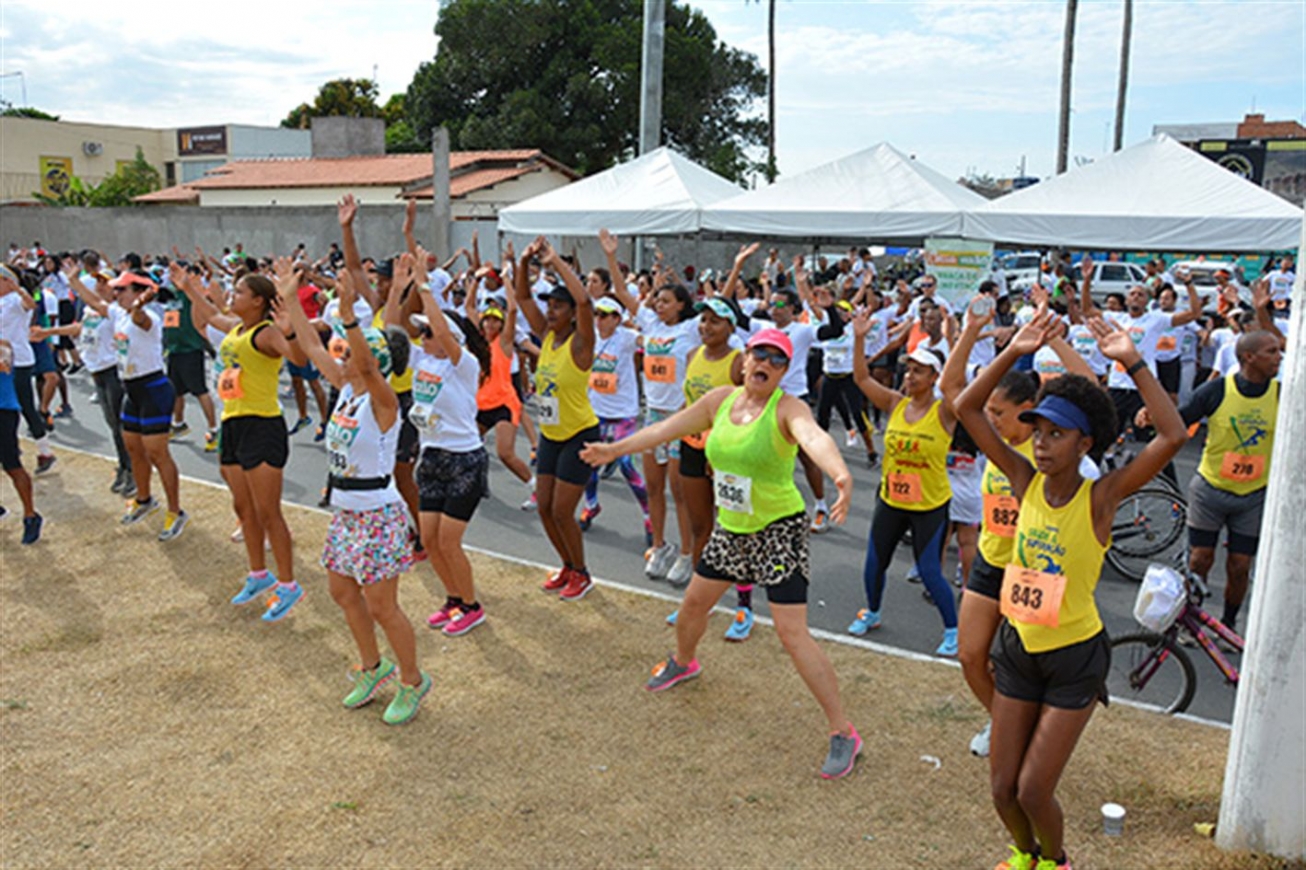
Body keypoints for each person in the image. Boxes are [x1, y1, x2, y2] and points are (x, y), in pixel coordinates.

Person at [954, 305, 1187, 870]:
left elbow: (1174, 434)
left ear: (1084, 444)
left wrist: (1134, 365)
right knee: (1002, 789)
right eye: (1037, 431)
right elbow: (965, 407)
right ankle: (1023, 854)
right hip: (1018, 649)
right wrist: (1014, 349)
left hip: (1073, 656)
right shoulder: (1022, 480)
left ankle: (1056, 860)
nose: (1040, 443)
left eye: (1056, 435)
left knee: (1035, 790)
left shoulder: (1100, 498)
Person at [579, 328, 861, 779]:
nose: (765, 363)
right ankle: (684, 662)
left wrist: (840, 474)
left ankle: (843, 731)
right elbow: (664, 428)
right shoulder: (721, 401)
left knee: (792, 634)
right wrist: (614, 448)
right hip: (732, 529)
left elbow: (813, 438)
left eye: (776, 359)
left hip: (777, 531)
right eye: (759, 355)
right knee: (693, 604)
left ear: (785, 370)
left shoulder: (788, 408)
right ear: (745, 359)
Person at [278, 257, 431, 725]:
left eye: (353, 351)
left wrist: (349, 312)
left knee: (384, 606)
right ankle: (373, 666)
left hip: (379, 512)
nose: (342, 354)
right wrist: (289, 299)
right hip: (346, 511)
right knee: (342, 592)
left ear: (377, 362)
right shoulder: (345, 387)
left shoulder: (385, 401)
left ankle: (412, 679)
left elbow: (363, 357)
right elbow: (308, 343)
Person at [170, 263, 304, 620]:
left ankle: (289, 585)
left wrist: (290, 331)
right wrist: (187, 289)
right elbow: (212, 315)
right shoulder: (237, 327)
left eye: (241, 292)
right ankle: (259, 575)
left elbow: (301, 359)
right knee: (243, 510)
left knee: (267, 511)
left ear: (258, 300)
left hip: (262, 425)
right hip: (232, 423)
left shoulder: (266, 334)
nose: (233, 295)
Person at [849, 310, 960, 656]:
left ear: (934, 377)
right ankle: (873, 612)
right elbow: (861, 377)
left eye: (919, 370)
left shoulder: (945, 412)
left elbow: (958, 384)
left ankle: (953, 630)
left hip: (930, 505)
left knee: (929, 571)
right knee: (873, 562)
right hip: (892, 501)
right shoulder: (896, 403)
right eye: (908, 369)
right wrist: (859, 337)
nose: (910, 375)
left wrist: (958, 336)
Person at [1161, 325, 1281, 638]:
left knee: (1240, 565)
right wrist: (1152, 416)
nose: (1279, 357)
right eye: (1272, 352)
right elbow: (1179, 421)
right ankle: (1187, 620)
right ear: (1248, 357)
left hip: (1253, 495)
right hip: (1210, 490)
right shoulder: (1216, 391)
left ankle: (1228, 625)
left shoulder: (1281, 395)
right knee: (1200, 559)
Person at [399, 261, 494, 636]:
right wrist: (401, 290)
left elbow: (440, 327)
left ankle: (472, 606)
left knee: (450, 542)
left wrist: (425, 286)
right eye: (421, 334)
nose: (423, 338)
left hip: (464, 460)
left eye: (429, 333)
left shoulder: (463, 364)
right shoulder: (423, 359)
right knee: (431, 540)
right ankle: (453, 599)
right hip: (432, 456)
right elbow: (394, 323)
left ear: (448, 337)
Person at [513, 237, 599, 601]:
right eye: (551, 305)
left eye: (559, 307)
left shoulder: (581, 344)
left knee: (564, 511)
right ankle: (566, 565)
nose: (551, 312)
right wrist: (523, 264)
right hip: (551, 433)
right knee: (545, 507)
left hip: (580, 434)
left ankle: (582, 572)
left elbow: (584, 301)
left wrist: (555, 262)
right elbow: (523, 298)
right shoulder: (547, 337)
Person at [666, 295, 749, 638]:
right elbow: (690, 405)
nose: (706, 327)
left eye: (715, 321)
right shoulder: (691, 356)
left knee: (735, 531)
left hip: (726, 456)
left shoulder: (738, 362)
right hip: (692, 448)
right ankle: (699, 601)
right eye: (703, 320)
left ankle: (745, 607)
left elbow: (747, 414)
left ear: (731, 327)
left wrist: (726, 454)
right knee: (702, 528)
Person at [95, 270, 188, 540]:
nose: (116, 294)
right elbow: (97, 303)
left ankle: (176, 511)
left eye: (122, 290)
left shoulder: (149, 317)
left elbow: (141, 319)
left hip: (154, 389)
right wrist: (78, 281)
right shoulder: (118, 313)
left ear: (138, 292)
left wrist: (138, 306)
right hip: (130, 389)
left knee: (158, 453)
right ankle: (145, 499)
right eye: (116, 290)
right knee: (134, 448)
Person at [636, 279, 702, 586]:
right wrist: (610, 256)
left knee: (679, 492)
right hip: (653, 415)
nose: (658, 305)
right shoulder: (650, 324)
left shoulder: (689, 330)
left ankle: (687, 553)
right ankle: (660, 546)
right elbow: (625, 295)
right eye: (657, 300)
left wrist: (738, 266)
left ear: (681, 304)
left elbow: (723, 301)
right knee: (653, 487)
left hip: (679, 417)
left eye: (665, 301)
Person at [579, 294, 651, 540]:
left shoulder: (627, 338)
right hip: (595, 409)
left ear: (617, 319)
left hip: (623, 412)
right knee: (589, 463)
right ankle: (591, 506)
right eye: (596, 314)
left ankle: (649, 515)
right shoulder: (591, 336)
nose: (598, 320)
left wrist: (642, 327)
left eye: (604, 316)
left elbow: (649, 340)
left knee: (627, 465)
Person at [0, 266, 56, 474]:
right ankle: (11, 445)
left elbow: (31, 304)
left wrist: (17, 288)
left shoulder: (16, 300)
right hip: (3, 360)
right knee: (6, 407)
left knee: (24, 405)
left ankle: (45, 451)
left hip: (20, 360)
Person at [161, 266, 219, 450]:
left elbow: (205, 302)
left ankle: (214, 430)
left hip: (190, 349)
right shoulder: (170, 294)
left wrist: (191, 285)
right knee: (176, 391)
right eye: (170, 274)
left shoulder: (190, 294)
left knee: (200, 390)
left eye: (176, 273)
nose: (172, 277)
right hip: (174, 350)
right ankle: (179, 424)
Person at [0, 339, 41, 544]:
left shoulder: (4, 345)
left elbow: (4, 364)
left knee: (12, 466)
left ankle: (30, 516)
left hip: (4, 411)